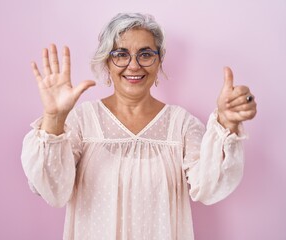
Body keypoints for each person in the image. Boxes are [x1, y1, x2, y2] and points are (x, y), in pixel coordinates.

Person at [21, 12, 257, 240]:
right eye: (121, 54)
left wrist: (227, 123)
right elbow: (52, 189)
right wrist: (54, 118)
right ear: (107, 63)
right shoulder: (81, 122)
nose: (133, 65)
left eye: (145, 54)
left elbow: (209, 186)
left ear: (159, 61)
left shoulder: (181, 125)